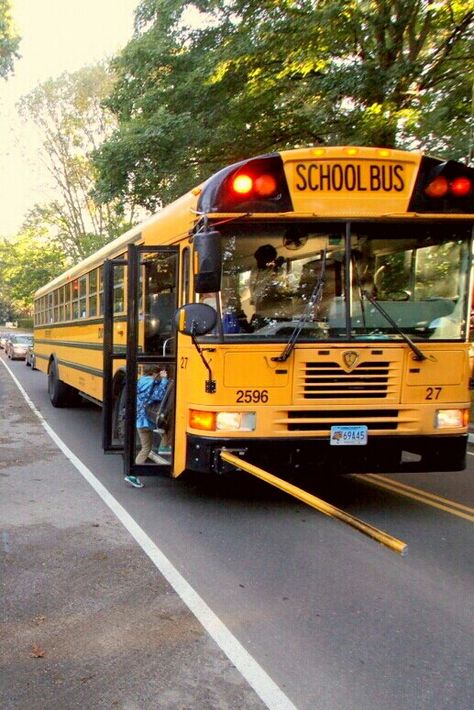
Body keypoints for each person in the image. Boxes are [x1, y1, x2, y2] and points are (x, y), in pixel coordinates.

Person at [124, 366, 169, 488]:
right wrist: (164, 380)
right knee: (167, 426)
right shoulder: (151, 382)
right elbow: (158, 396)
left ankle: (132, 474)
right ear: (155, 373)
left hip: (139, 420)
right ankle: (165, 447)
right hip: (148, 419)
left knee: (146, 448)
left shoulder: (140, 381)